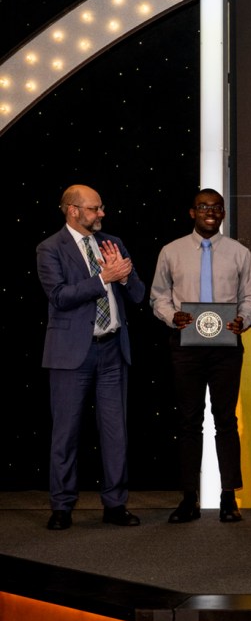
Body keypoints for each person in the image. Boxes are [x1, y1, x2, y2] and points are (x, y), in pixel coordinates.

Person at [36, 185, 146, 530]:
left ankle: (115, 504)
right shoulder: (49, 248)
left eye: (101, 208)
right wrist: (104, 279)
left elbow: (139, 295)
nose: (101, 214)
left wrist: (124, 276)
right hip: (71, 355)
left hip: (112, 350)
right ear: (73, 210)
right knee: (66, 433)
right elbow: (59, 296)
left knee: (115, 432)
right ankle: (62, 506)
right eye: (95, 209)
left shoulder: (111, 243)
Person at [151, 188, 251, 524]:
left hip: (227, 348)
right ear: (192, 212)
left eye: (216, 207)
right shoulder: (171, 251)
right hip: (186, 346)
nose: (210, 212)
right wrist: (173, 317)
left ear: (224, 213)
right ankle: (189, 499)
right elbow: (158, 297)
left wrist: (244, 319)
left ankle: (229, 498)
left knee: (226, 421)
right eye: (203, 207)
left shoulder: (240, 253)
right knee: (188, 422)